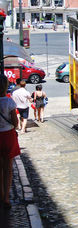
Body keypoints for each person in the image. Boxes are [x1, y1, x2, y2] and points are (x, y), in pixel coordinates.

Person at [0, 75, 20, 209]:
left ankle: (1, 194)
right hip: (8, 136)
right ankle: (6, 197)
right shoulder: (9, 102)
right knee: (8, 169)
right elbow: (15, 123)